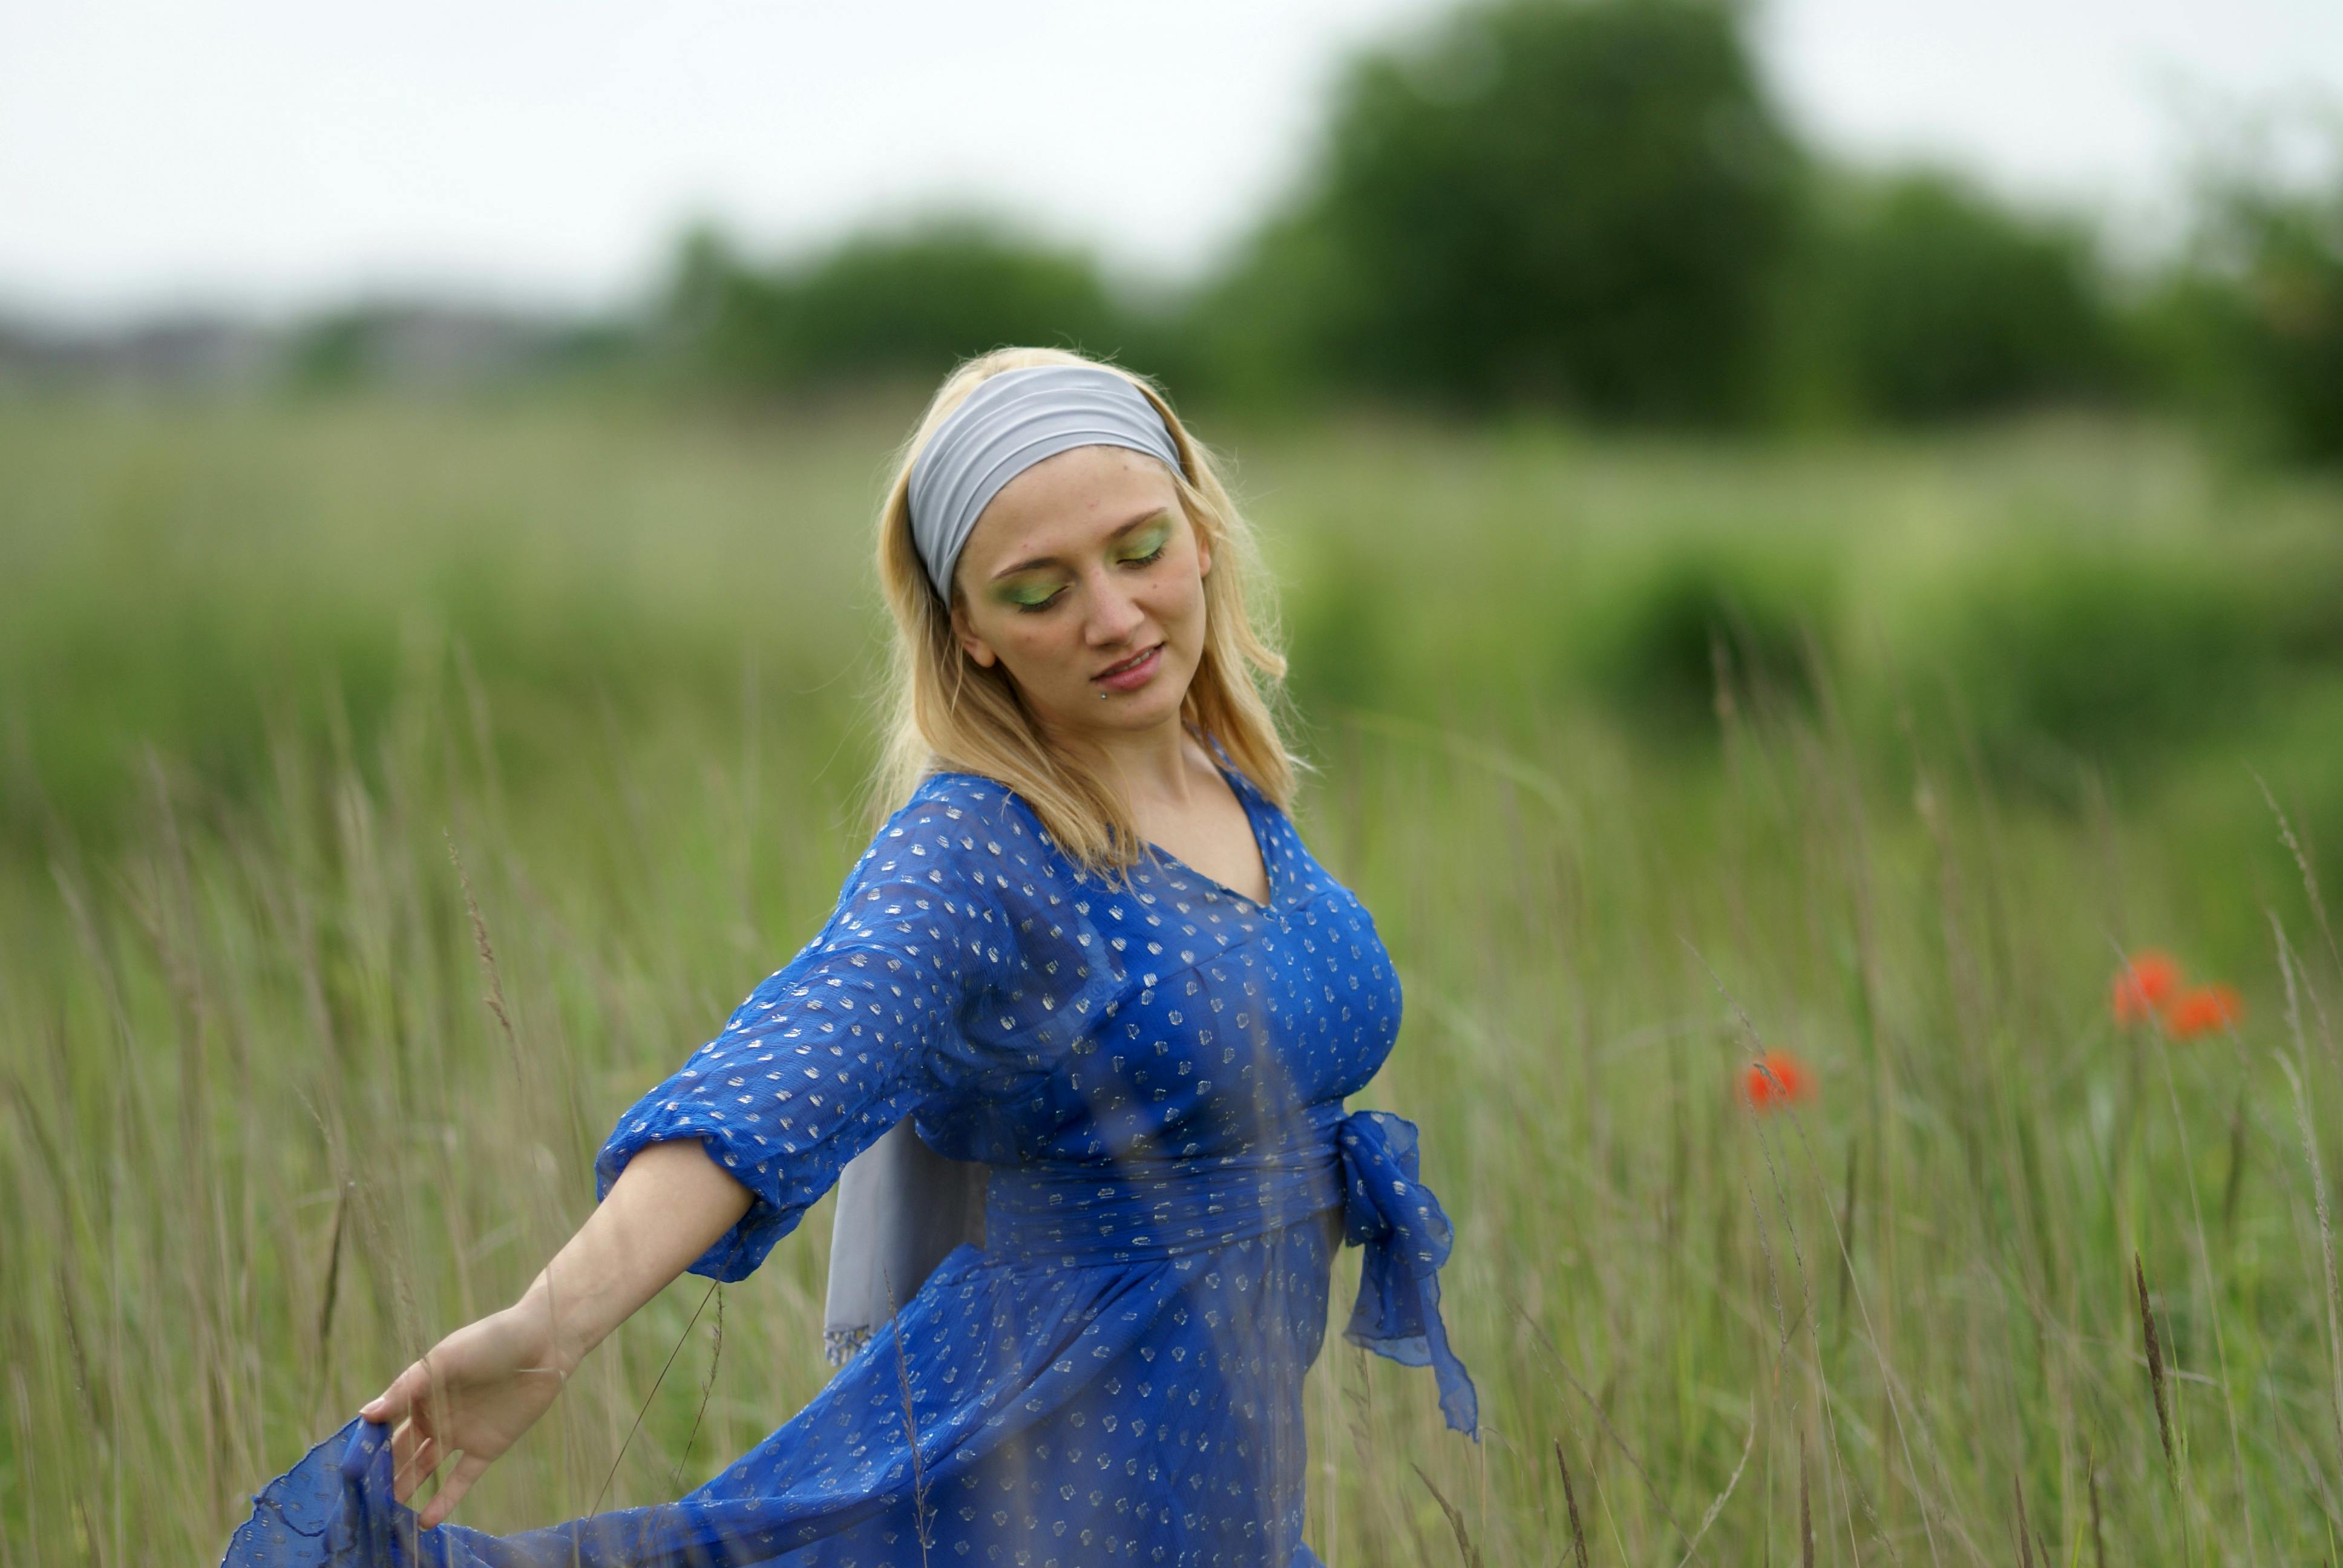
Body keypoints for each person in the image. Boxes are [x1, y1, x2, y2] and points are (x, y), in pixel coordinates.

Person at [223, 348, 1476, 1568]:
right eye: (1038, 592)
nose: (1113, 616)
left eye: (1139, 550)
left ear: (1201, 533)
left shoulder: (1233, 782)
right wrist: (550, 1330)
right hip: (1030, 1491)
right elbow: (780, 1077)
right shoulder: (977, 849)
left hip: (1222, 1506)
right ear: (970, 633)